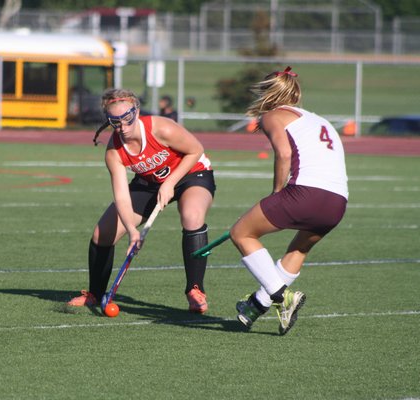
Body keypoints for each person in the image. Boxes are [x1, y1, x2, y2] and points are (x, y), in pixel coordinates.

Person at [67, 88, 216, 313]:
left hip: (191, 173)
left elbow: (195, 150)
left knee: (191, 216)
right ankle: (95, 294)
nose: (123, 127)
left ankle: (195, 290)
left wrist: (170, 183)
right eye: (115, 122)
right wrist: (132, 231)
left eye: (127, 119)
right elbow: (121, 196)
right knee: (103, 232)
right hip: (149, 183)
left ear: (136, 111)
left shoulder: (161, 127)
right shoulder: (114, 152)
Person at [229, 66, 348, 334]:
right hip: (338, 203)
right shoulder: (318, 120)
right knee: (299, 249)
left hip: (306, 194)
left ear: (268, 93)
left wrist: (276, 192)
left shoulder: (272, 116)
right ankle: (255, 306)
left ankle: (283, 297)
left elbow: (283, 154)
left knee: (241, 233)